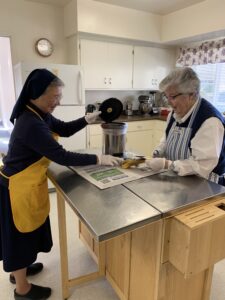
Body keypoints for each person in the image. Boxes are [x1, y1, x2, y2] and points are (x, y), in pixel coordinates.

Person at [0, 69, 123, 300]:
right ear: (37, 93)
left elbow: (64, 129)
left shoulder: (38, 112)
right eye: (55, 97)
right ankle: (22, 289)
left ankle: (21, 272)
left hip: (26, 185)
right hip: (16, 188)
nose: (58, 101)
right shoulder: (31, 123)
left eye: (59, 96)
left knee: (28, 233)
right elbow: (62, 156)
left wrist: (88, 119)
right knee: (19, 237)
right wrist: (98, 159)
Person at [146, 67, 225, 185]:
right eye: (166, 96)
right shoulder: (175, 113)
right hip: (179, 179)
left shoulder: (210, 121)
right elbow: (167, 139)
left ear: (192, 95)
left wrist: (167, 164)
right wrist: (158, 151)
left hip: (207, 186)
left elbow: (202, 165)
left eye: (172, 97)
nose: (168, 102)